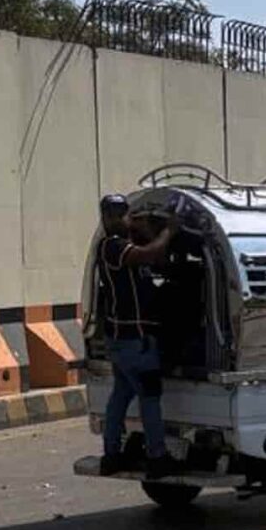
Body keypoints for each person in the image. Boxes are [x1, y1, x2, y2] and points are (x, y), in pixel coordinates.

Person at [95, 194, 181, 477]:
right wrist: (168, 231)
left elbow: (160, 262)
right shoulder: (112, 247)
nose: (117, 219)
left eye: (121, 213)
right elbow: (147, 255)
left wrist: (148, 232)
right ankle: (156, 456)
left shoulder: (130, 245)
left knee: (122, 392)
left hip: (129, 339)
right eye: (112, 215)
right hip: (133, 339)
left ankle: (112, 454)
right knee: (149, 396)